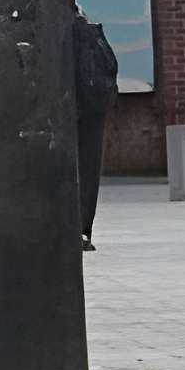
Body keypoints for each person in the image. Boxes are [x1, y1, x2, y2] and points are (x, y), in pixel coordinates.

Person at [70, 14, 121, 249]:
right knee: (88, 171)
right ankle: (83, 231)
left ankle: (72, 228)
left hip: (69, 111)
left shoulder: (55, 32)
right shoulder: (90, 33)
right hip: (93, 111)